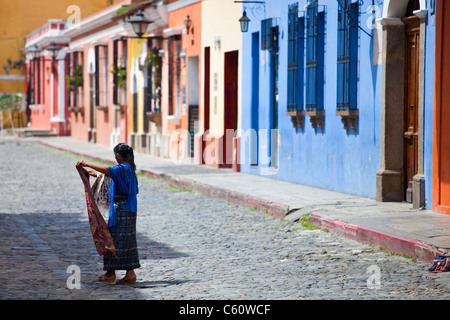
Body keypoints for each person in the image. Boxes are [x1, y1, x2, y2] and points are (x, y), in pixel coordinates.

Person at [76, 143, 140, 284]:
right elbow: (109, 176)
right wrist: (95, 174)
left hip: (122, 209)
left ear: (117, 156)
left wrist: (86, 164)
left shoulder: (124, 168)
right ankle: (129, 273)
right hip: (127, 209)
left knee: (113, 239)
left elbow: (108, 170)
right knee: (127, 240)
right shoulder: (127, 168)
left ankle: (111, 273)